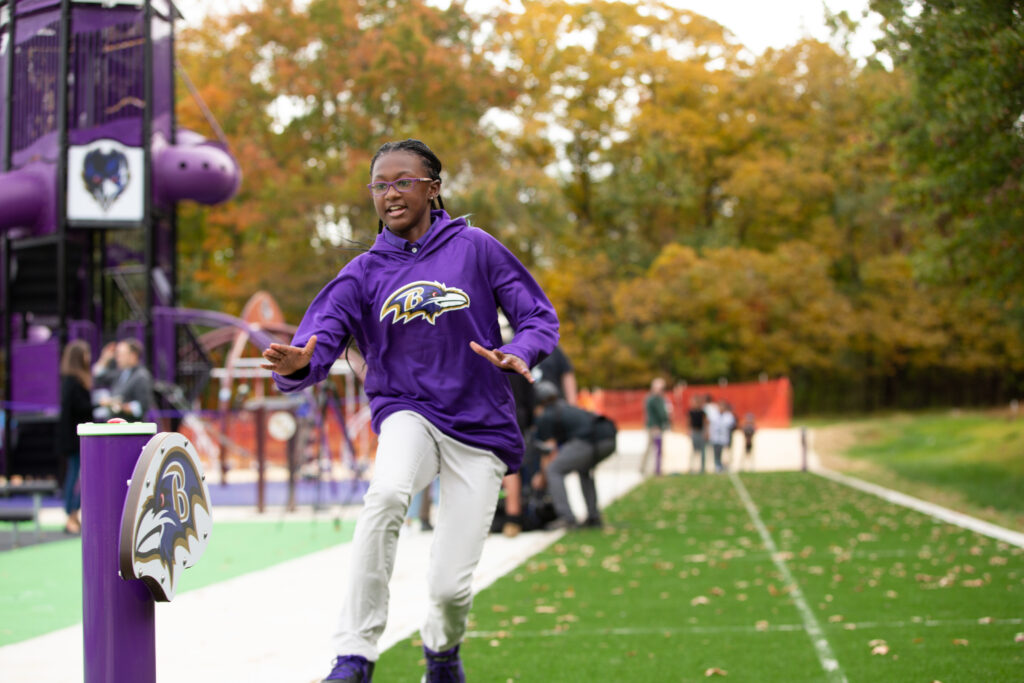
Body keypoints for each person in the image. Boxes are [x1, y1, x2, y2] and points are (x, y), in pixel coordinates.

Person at [260, 139, 559, 683]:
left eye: (403, 181)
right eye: (380, 185)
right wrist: (301, 359)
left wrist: (517, 351)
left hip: (480, 424)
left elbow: (538, 317)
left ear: (433, 187)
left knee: (449, 589)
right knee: (386, 494)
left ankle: (442, 656)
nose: (390, 193)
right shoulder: (363, 271)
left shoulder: (477, 248)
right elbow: (319, 337)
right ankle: (354, 654)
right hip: (407, 410)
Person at [531, 381, 616, 530]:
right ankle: (593, 516)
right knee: (584, 470)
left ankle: (567, 518)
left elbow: (549, 452)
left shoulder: (547, 415)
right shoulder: (566, 407)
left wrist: (541, 476)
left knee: (553, 470)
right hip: (608, 439)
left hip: (589, 441)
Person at [57, 340, 94, 534]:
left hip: (73, 435)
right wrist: (99, 403)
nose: (89, 358)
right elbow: (79, 408)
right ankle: (71, 514)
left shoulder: (71, 379)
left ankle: (73, 514)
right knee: (76, 475)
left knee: (76, 474)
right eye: (86, 354)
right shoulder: (73, 381)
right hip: (75, 437)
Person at [93, 339, 154, 422]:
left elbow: (141, 407)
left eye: (121, 354)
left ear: (133, 355)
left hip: (130, 430)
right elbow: (98, 376)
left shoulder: (141, 376)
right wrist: (105, 358)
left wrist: (118, 406)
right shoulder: (121, 373)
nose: (117, 358)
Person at [640, 377, 671, 476]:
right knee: (652, 448)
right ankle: (645, 468)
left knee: (658, 449)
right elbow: (653, 414)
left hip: (659, 426)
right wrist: (654, 425)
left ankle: (656, 468)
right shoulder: (652, 399)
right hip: (654, 427)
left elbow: (664, 413)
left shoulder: (660, 399)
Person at [706, 397, 735, 473]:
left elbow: (729, 425)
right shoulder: (713, 414)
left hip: (724, 438)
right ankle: (717, 467)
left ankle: (725, 467)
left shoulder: (728, 415)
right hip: (715, 438)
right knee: (716, 453)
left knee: (724, 454)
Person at [687, 393, 708, 474]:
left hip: (700, 431)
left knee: (702, 451)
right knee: (693, 450)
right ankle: (692, 468)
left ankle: (702, 468)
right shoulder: (691, 412)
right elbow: (689, 422)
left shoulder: (702, 412)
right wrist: (689, 430)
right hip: (694, 431)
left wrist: (706, 432)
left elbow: (705, 422)